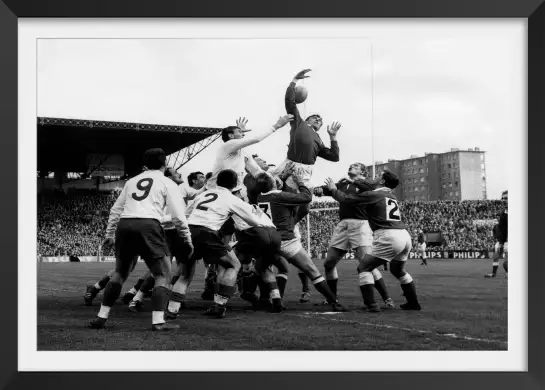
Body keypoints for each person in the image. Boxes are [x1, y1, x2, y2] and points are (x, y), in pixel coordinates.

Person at [88, 148, 193, 331]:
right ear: (165, 163)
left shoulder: (132, 181)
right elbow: (178, 216)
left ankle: (101, 317)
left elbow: (115, 209)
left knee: (120, 273)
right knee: (163, 274)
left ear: (145, 164)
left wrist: (109, 234)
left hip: (125, 225)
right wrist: (186, 237)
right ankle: (158, 321)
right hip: (149, 225)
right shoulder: (167, 182)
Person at [167, 169, 281, 319]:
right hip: (206, 233)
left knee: (185, 274)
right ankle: (219, 306)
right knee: (233, 265)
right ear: (235, 184)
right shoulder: (231, 198)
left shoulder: (202, 195)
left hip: (187, 232)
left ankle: (172, 310)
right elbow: (253, 220)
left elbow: (185, 215)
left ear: (217, 181)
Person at [324, 170, 422, 312]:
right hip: (404, 236)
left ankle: (372, 305)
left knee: (364, 267)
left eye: (377, 177)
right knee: (397, 269)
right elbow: (368, 185)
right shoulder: (390, 195)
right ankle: (413, 303)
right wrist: (354, 182)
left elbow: (346, 200)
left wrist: (333, 189)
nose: (374, 178)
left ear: (382, 181)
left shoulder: (375, 194)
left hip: (388, 235)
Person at [256, 172, 348, 312]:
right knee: (312, 270)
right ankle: (334, 301)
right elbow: (306, 197)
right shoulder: (279, 196)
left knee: (265, 268)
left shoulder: (260, 197)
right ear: (273, 184)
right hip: (285, 240)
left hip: (267, 241)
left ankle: (275, 299)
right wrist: (300, 182)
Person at [314, 163, 395, 309]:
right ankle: (332, 298)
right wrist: (319, 189)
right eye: (350, 165)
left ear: (363, 171)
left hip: (361, 225)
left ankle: (386, 298)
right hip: (343, 225)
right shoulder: (343, 183)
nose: (351, 166)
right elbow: (328, 188)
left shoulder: (367, 185)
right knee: (329, 263)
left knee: (366, 263)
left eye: (355, 166)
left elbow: (365, 191)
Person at [271, 69, 342, 224]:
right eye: (315, 117)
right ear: (307, 119)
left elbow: (334, 157)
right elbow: (289, 102)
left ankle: (289, 226)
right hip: (291, 165)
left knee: (305, 208)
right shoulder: (299, 123)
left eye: (320, 120)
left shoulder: (319, 140)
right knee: (282, 195)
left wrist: (333, 137)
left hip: (306, 172)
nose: (318, 119)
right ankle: (277, 224)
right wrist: (294, 80)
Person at [485, 191, 508, 278]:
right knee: (495, 255)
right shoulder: (503, 213)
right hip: (502, 240)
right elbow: (502, 228)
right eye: (503, 198)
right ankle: (493, 273)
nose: (504, 200)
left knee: (506, 263)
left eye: (506, 198)